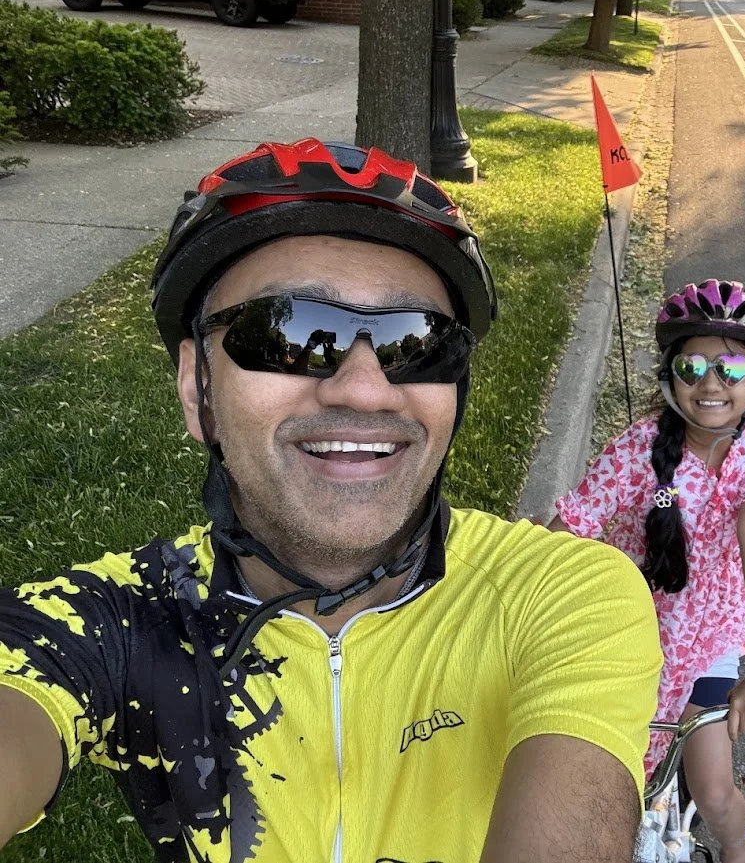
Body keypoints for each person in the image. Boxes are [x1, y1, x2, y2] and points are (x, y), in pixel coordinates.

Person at [0, 139, 662, 863]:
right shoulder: (120, 622)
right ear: (198, 388)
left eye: (417, 343)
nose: (364, 387)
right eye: (289, 334)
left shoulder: (564, 594)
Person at [549, 280, 745, 863]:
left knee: (712, 790)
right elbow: (572, 525)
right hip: (632, 632)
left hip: (712, 635)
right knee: (611, 793)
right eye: (692, 366)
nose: (711, 384)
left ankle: (739, 851)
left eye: (730, 368)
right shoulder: (639, 449)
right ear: (668, 376)